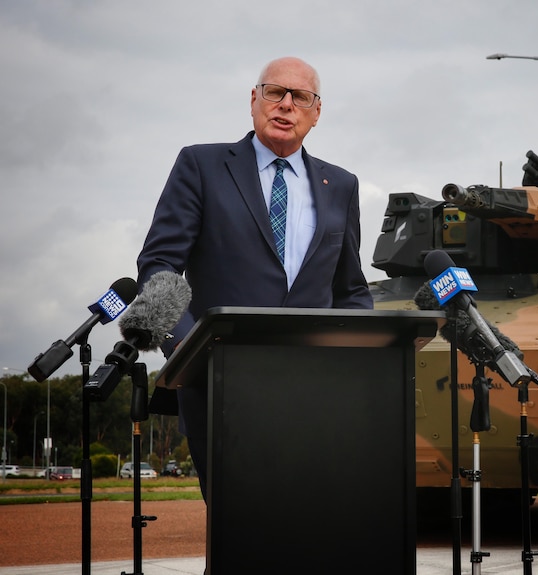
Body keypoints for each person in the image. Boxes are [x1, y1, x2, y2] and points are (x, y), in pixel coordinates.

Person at [136, 57, 373, 499]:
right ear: (253, 100)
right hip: (219, 387)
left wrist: (356, 363)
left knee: (305, 533)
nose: (285, 105)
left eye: (300, 97)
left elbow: (351, 291)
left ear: (316, 112)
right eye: (274, 92)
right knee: (239, 534)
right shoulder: (201, 166)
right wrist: (190, 350)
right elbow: (159, 267)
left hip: (315, 391)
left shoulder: (341, 185)